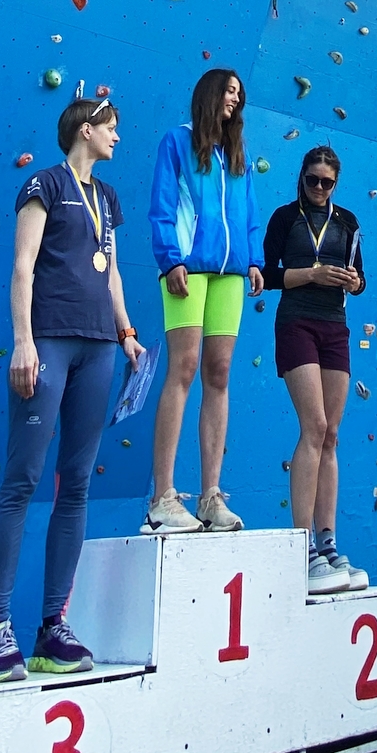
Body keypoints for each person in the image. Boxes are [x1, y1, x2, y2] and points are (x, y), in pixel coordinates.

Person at [0, 96, 144, 683]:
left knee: (75, 487)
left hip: (98, 347)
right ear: (85, 129)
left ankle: (53, 628)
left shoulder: (107, 197)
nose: (117, 138)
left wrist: (125, 331)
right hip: (48, 341)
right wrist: (23, 342)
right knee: (22, 481)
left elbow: (112, 267)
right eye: (111, 129)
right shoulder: (42, 184)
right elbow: (22, 266)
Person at [143, 67, 265, 533]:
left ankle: (211, 496)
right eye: (228, 91)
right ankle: (163, 497)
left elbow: (249, 212)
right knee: (184, 367)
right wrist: (170, 258)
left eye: (239, 93)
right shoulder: (178, 141)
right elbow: (162, 204)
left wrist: (253, 259)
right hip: (188, 269)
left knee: (218, 373)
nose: (234, 99)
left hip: (231, 275)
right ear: (210, 93)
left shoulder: (237, 154)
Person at [262, 145, 370, 593]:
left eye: (328, 183)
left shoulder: (347, 222)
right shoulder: (285, 218)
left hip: (335, 325)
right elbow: (266, 275)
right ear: (301, 179)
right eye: (313, 181)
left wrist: (352, 281)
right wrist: (313, 274)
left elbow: (360, 277)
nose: (320, 189)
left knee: (332, 433)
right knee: (315, 426)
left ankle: (328, 543)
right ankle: (302, 543)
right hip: (296, 321)